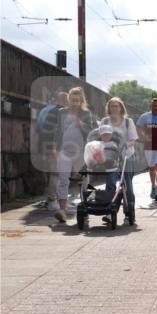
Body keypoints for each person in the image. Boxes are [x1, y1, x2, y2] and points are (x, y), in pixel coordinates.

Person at [52, 87, 95, 222]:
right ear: (69, 100)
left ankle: (85, 206)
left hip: (81, 152)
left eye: (77, 100)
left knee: (83, 180)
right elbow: (58, 130)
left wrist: (80, 123)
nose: (75, 103)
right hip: (64, 151)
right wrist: (54, 148)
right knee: (63, 180)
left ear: (81, 100)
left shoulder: (86, 113)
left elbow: (92, 132)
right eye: (72, 100)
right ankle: (62, 210)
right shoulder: (62, 112)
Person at [100, 97, 138, 218]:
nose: (114, 108)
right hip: (111, 158)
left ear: (121, 108)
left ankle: (129, 210)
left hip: (127, 156)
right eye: (112, 106)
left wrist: (127, 144)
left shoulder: (128, 122)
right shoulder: (105, 121)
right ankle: (110, 211)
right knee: (110, 183)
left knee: (127, 184)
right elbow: (99, 136)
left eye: (117, 106)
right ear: (109, 108)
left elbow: (133, 139)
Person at [36, 91, 68, 210]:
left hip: (44, 145)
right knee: (57, 174)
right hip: (56, 147)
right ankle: (52, 199)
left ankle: (52, 198)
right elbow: (59, 131)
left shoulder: (45, 110)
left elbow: (39, 129)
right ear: (65, 100)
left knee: (53, 173)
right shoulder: (61, 112)